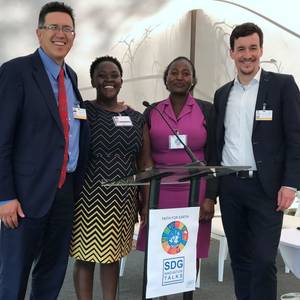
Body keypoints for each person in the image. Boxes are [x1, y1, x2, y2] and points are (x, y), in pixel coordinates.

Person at [0, 2, 89, 299]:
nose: (60, 34)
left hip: (64, 193)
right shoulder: (16, 72)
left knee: (52, 273)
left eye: (67, 29)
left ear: (74, 37)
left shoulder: (71, 78)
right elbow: (2, 140)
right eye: (53, 27)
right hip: (24, 197)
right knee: (14, 276)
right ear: (39, 33)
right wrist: (5, 196)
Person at [214, 22, 300, 300]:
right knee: (240, 261)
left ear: (261, 50)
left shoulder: (283, 86)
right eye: (241, 49)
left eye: (252, 48)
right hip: (231, 189)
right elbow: (218, 142)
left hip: (267, 189)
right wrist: (213, 190)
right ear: (232, 53)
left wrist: (290, 184)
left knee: (263, 261)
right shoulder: (222, 93)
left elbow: (296, 137)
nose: (247, 55)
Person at [69, 55, 152, 300]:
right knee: (85, 258)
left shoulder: (137, 118)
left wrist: (146, 202)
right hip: (87, 199)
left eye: (114, 75)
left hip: (122, 202)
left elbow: (145, 162)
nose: (108, 80)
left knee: (112, 257)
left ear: (121, 80)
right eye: (102, 75)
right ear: (93, 80)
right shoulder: (82, 111)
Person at [136, 56, 217, 299]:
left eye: (185, 73)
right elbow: (145, 159)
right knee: (159, 251)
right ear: (166, 78)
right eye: (174, 72)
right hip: (160, 193)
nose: (179, 77)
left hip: (196, 191)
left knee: (188, 250)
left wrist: (210, 197)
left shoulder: (207, 109)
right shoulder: (152, 110)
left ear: (193, 79)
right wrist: (145, 200)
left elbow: (214, 157)